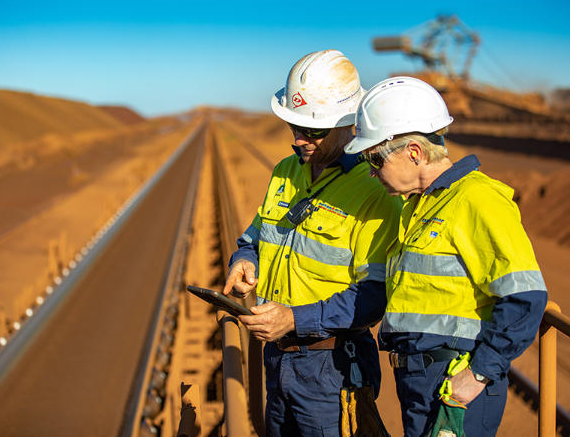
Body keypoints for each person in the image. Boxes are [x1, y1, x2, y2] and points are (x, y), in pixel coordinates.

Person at [344, 75, 548, 436]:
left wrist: (479, 373)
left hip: (455, 384)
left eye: (374, 159)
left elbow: (525, 296)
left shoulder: (477, 200)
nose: (371, 172)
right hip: (420, 380)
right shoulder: (418, 206)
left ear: (414, 152)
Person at [222, 50, 402, 436]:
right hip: (276, 356)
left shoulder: (375, 190)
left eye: (313, 131)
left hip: (331, 367)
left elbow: (374, 295)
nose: (300, 139)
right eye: (293, 126)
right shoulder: (286, 171)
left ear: (349, 123)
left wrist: (294, 318)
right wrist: (244, 258)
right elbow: (255, 234)